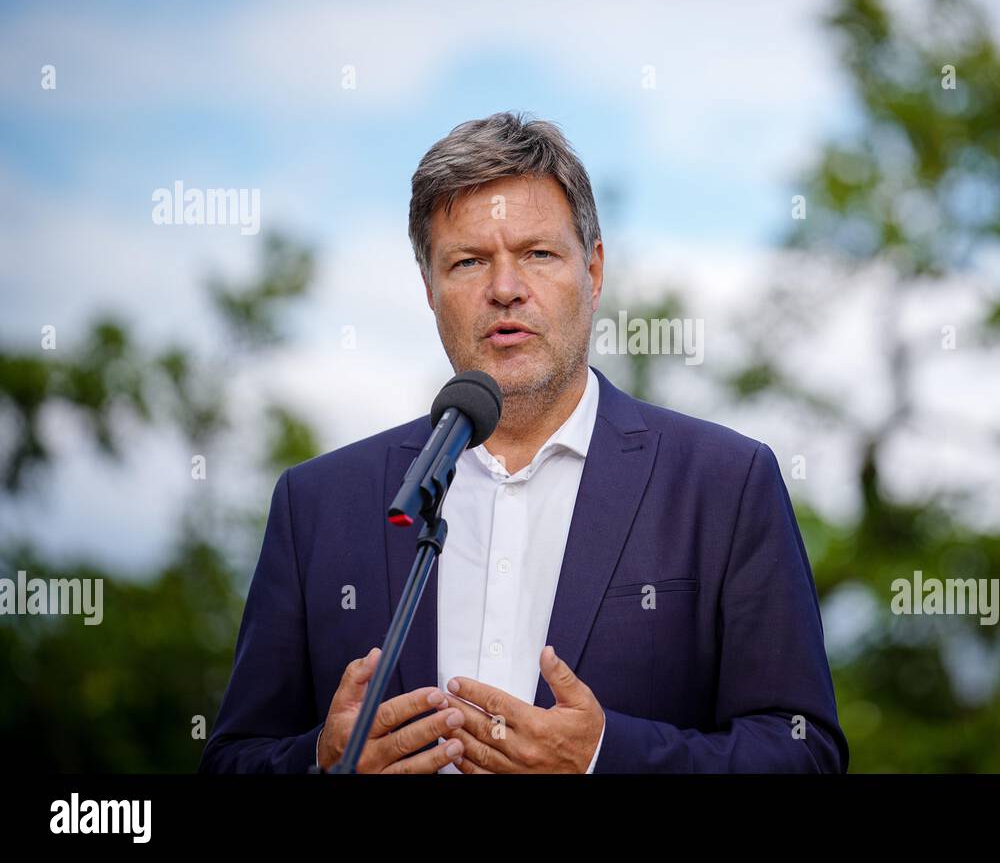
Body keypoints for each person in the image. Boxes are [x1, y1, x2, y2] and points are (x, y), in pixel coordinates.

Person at [198, 111, 849, 773]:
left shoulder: (724, 483)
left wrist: (602, 758)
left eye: (538, 254)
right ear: (429, 288)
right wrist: (321, 762)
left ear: (592, 273)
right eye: (468, 261)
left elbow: (804, 752)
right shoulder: (318, 504)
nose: (505, 289)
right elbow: (230, 761)